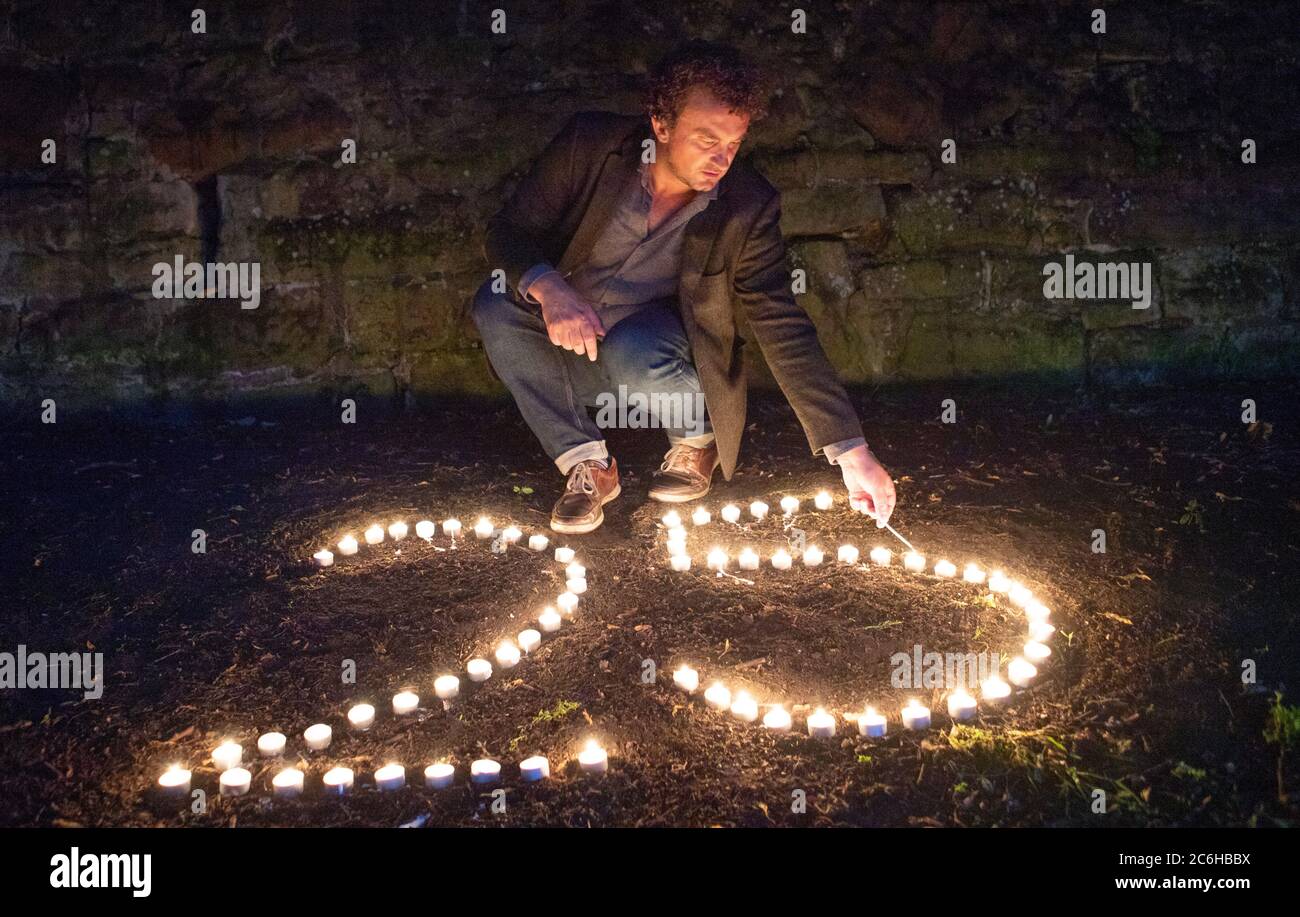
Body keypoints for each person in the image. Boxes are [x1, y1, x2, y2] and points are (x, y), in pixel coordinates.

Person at [473, 40, 896, 534]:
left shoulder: (746, 204)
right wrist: (550, 288)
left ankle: (697, 438)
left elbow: (780, 319)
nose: (720, 158)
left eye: (733, 144)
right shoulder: (589, 147)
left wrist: (851, 450)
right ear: (661, 124)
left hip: (652, 352)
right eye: (706, 138)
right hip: (568, 342)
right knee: (495, 303)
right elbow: (506, 232)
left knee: (635, 346)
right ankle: (587, 465)